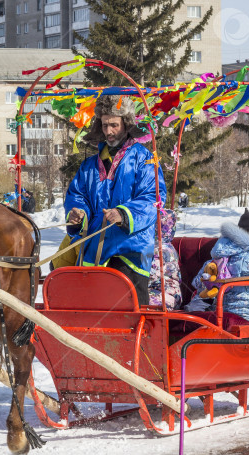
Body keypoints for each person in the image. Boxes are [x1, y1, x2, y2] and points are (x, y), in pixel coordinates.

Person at [64, 94, 167, 304]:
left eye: (114, 125)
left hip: (131, 250)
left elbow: (153, 198)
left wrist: (123, 213)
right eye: (104, 125)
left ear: (126, 124)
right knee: (90, 310)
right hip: (94, 250)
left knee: (129, 314)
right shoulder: (89, 165)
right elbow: (77, 195)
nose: (109, 131)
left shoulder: (144, 158)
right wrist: (78, 213)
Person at [187, 210, 249, 324]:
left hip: (222, 310)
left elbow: (197, 283)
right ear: (247, 236)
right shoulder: (248, 259)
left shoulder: (217, 258)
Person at [148, 208, 182, 310]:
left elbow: (152, 275)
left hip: (166, 293)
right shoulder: (165, 246)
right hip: (162, 291)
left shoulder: (161, 249)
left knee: (137, 300)